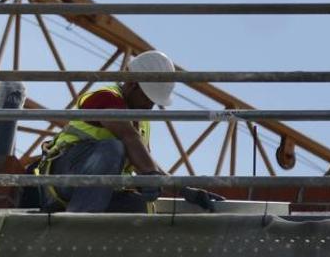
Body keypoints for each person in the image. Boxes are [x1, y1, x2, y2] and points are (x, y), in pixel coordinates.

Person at [35, 50, 222, 213]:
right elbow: (127, 136)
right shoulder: (106, 97)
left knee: (142, 206)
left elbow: (145, 164)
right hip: (62, 178)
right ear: (132, 84)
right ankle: (76, 224)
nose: (150, 107)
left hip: (95, 191)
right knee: (113, 148)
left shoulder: (141, 121)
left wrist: (183, 190)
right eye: (148, 99)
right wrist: (151, 176)